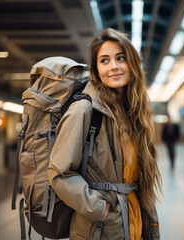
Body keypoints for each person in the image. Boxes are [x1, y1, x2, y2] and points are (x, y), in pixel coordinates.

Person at [47, 28, 162, 240]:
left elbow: (140, 180)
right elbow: (59, 173)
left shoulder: (135, 115)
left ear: (132, 64)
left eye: (120, 58)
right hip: (100, 229)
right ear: (96, 70)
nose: (114, 66)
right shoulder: (84, 110)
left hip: (135, 222)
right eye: (104, 60)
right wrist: (102, 210)